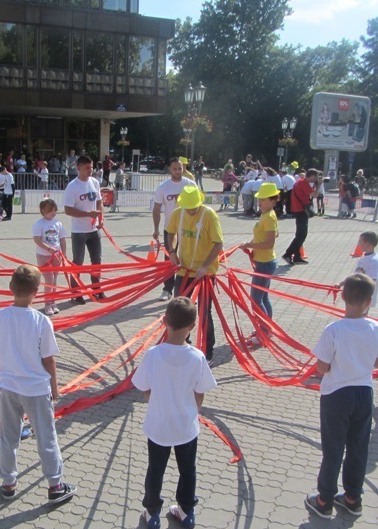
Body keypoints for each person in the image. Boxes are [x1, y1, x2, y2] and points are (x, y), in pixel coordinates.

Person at [0, 265, 77, 504]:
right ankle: (55, 484)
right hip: (36, 389)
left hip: (9, 388)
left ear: (11, 287)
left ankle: (8, 482)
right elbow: (48, 359)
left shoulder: (0, 317)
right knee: (46, 436)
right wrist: (55, 387)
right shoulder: (41, 321)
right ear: (36, 291)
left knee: (9, 436)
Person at [304, 274, 378, 519]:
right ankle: (353, 497)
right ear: (369, 301)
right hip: (364, 393)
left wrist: (336, 365)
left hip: (336, 396)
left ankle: (324, 500)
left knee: (333, 449)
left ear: (342, 297)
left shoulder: (334, 330)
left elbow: (321, 367)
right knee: (357, 447)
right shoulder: (376, 327)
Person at [132, 297, 217, 529]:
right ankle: (186, 511)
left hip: (158, 425)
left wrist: (157, 401)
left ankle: (152, 513)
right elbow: (201, 392)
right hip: (186, 427)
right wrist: (191, 410)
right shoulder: (197, 357)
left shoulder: (153, 354)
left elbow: (143, 387)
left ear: (164, 322)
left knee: (155, 470)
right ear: (192, 326)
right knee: (188, 470)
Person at [166, 186, 224, 365]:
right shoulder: (178, 213)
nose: (190, 211)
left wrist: (205, 266)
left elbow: (218, 243)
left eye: (194, 208)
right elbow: (170, 233)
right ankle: (182, 344)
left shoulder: (209, 216)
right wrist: (172, 251)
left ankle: (208, 351)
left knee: (204, 312)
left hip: (205, 274)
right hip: (184, 270)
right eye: (188, 208)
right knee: (179, 311)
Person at [152, 158, 196, 301]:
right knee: (170, 259)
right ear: (169, 169)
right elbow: (156, 209)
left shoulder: (190, 185)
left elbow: (198, 205)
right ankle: (167, 289)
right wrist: (156, 228)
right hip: (170, 229)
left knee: (187, 258)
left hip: (188, 230)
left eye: (180, 168)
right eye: (175, 169)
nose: (178, 171)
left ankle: (186, 290)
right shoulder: (163, 187)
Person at [64, 155, 104, 304]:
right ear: (78, 168)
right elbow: (68, 210)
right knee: (78, 262)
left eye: (92, 168)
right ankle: (76, 292)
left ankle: (97, 290)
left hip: (94, 230)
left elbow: (100, 203)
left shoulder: (94, 182)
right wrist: (88, 214)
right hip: (79, 231)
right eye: (87, 168)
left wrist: (101, 218)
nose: (90, 171)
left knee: (97, 261)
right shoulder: (72, 186)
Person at [242, 183, 279, 318]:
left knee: (256, 299)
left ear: (273, 200)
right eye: (259, 200)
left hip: (265, 263)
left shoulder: (269, 217)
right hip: (264, 261)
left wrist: (250, 245)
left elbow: (269, 243)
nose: (260, 203)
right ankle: (266, 330)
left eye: (263, 200)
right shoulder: (265, 215)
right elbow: (260, 238)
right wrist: (248, 245)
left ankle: (263, 331)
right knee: (263, 298)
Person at [32, 198, 68, 316]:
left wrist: (64, 253)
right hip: (44, 256)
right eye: (50, 210)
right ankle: (47, 304)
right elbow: (37, 240)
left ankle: (53, 302)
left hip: (56, 255)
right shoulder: (39, 224)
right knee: (49, 280)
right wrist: (48, 249)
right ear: (43, 210)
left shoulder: (58, 223)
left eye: (54, 210)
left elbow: (62, 239)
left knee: (55, 279)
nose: (53, 213)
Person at [283, 168, 319, 265]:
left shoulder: (300, 181)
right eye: (315, 177)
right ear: (312, 176)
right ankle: (288, 253)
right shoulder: (304, 183)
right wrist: (319, 185)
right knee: (301, 235)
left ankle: (297, 256)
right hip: (301, 210)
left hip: (299, 209)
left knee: (300, 234)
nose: (315, 179)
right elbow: (315, 195)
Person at [349, 231, 378, 310]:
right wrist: (342, 284)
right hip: (357, 296)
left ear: (368, 245)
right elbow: (356, 274)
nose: (358, 244)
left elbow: (372, 281)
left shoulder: (373, 261)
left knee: (358, 319)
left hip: (363, 298)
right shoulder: (364, 257)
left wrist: (363, 296)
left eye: (360, 242)